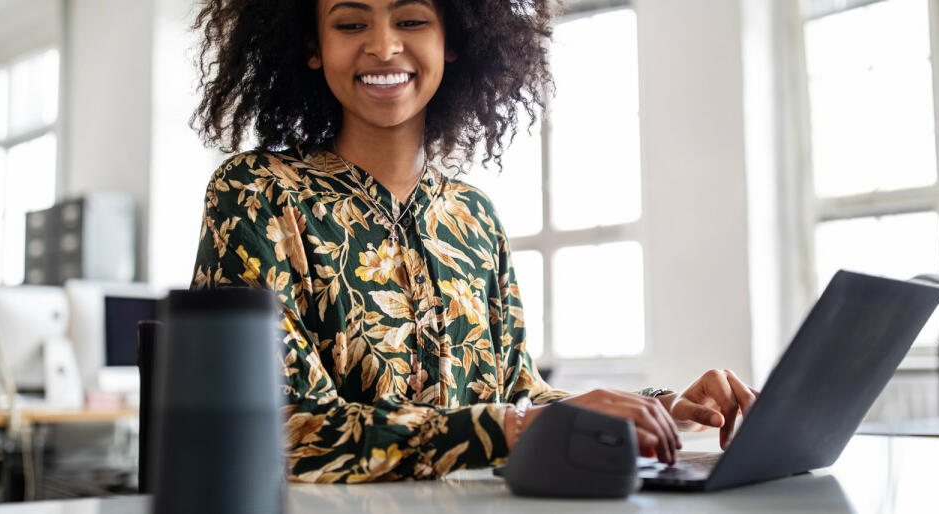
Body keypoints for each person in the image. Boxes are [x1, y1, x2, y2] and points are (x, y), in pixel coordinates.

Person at [190, 0, 758, 483]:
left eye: (411, 20)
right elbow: (277, 427)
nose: (384, 47)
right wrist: (509, 428)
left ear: (454, 41)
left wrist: (660, 408)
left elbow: (521, 392)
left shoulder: (473, 217)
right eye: (350, 23)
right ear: (311, 44)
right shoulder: (256, 194)